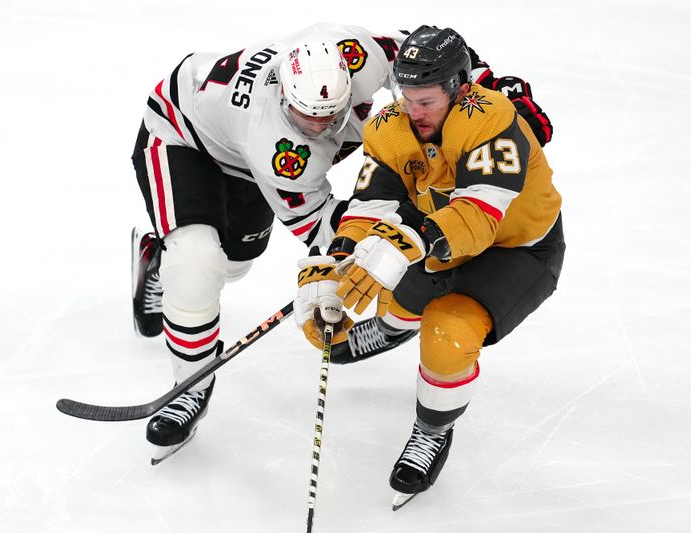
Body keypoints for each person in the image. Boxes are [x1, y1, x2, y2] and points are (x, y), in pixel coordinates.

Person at [129, 22, 555, 463]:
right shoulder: (278, 148)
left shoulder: (357, 54)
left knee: (236, 263)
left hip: (237, 141)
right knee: (198, 263)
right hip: (182, 134)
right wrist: (343, 269)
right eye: (306, 116)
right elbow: (323, 225)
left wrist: (490, 87)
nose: (320, 126)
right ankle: (188, 386)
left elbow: (426, 59)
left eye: (332, 113)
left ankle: (156, 260)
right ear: (282, 97)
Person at [294, 25, 564, 507]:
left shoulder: (491, 114)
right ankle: (395, 326)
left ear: (458, 89)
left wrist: (405, 242)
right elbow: (370, 207)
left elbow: (480, 213)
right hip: (439, 231)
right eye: (407, 97)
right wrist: (337, 261)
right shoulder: (388, 126)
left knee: (447, 334)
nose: (414, 112)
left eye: (427, 101)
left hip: (517, 248)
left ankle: (432, 429)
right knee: (379, 283)